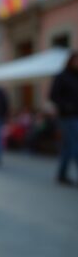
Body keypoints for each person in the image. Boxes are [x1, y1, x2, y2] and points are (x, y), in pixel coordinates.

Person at [49, 51, 78, 186]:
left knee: (68, 146)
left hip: (75, 115)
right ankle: (62, 175)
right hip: (67, 116)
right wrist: (66, 106)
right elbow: (53, 96)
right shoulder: (62, 77)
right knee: (74, 145)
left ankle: (61, 174)